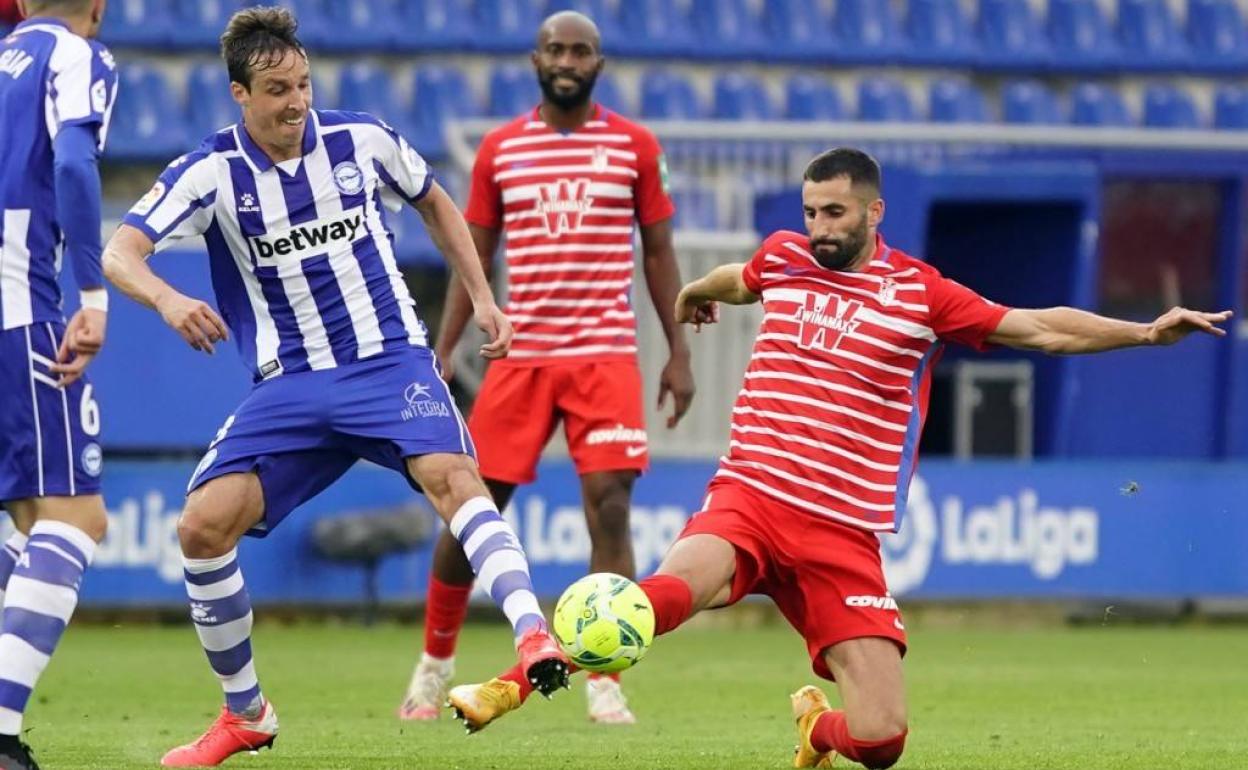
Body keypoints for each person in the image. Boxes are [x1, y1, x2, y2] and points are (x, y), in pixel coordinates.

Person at [442, 147, 1233, 767]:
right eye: (812, 211)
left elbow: (1040, 327)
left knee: (884, 739)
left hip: (840, 533)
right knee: (658, 601)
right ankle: (509, 686)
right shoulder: (786, 255)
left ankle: (818, 733)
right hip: (750, 494)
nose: (819, 227)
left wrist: (1141, 332)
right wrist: (693, 295)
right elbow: (739, 277)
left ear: (874, 212)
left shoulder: (923, 296)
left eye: (835, 213)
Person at [100, 7, 569, 767]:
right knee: (200, 528)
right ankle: (246, 713)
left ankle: (531, 632)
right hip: (290, 384)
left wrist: (482, 296)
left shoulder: (363, 140)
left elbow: (435, 201)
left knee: (456, 480)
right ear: (239, 94)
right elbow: (121, 249)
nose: (295, 102)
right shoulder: (212, 171)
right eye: (277, 89)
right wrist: (167, 297)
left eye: (304, 84)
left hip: (388, 362)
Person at [400, 10, 692, 726]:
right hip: (521, 356)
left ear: (599, 62)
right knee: (474, 513)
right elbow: (475, 255)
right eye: (557, 48)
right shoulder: (501, 150)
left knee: (612, 506)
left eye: (581, 50)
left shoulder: (633, 146)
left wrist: (679, 350)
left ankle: (606, 679)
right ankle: (433, 668)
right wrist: (443, 350)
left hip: (603, 354)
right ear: (536, 59)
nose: (568, 59)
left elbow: (657, 252)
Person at [0, 1, 115, 767]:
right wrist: (94, 296)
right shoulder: (73, 56)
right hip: (22, 305)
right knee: (77, 519)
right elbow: (73, 162)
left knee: (25, 516)